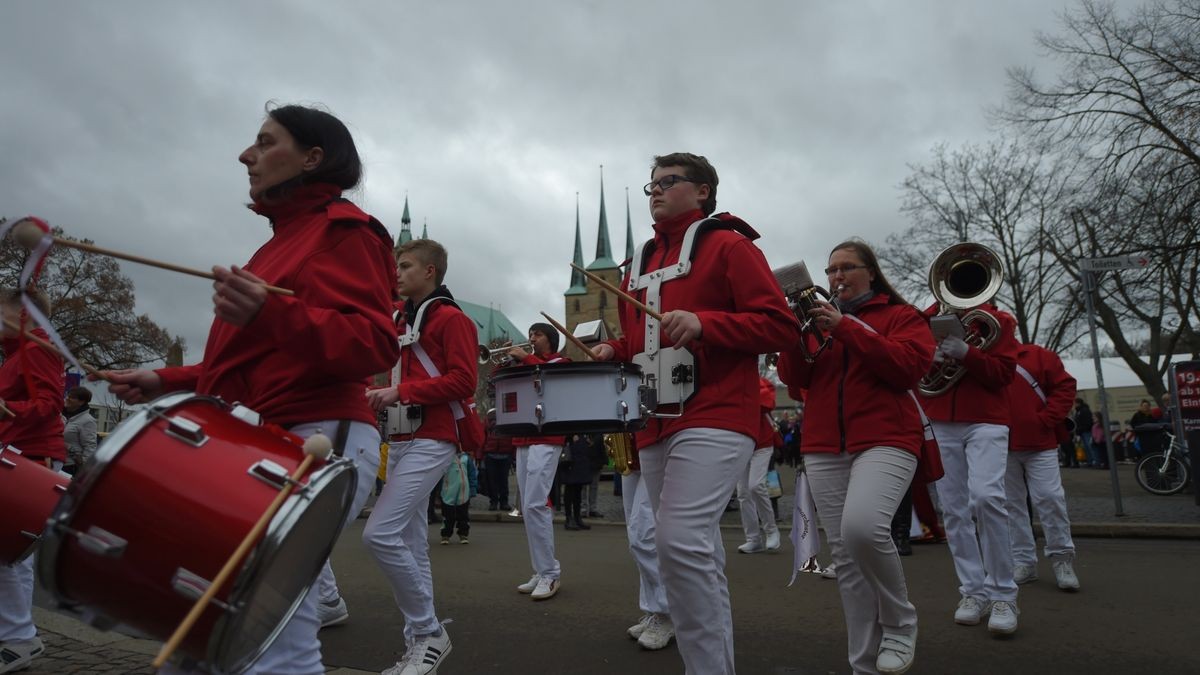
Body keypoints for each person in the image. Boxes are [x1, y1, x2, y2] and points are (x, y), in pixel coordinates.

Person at [104, 103, 398, 675]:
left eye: (265, 143)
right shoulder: (279, 242)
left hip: (314, 436)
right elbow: (253, 363)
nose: (246, 155)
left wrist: (270, 313)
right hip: (266, 437)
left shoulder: (346, 232)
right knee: (211, 622)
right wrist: (164, 379)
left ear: (312, 157)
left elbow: (373, 346)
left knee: (270, 638)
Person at [592, 152, 801, 675]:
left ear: (703, 190)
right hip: (653, 420)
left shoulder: (729, 245)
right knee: (685, 551)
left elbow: (780, 326)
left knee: (678, 541)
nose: (656, 192)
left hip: (716, 412)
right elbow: (640, 340)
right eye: (651, 185)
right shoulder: (635, 266)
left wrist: (708, 323)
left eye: (669, 182)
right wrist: (616, 351)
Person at [776, 239, 934, 675]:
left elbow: (907, 368)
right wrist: (792, 333)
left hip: (887, 437)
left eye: (846, 267)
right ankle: (863, 664)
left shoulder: (901, 317)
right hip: (825, 443)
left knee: (863, 528)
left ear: (871, 272)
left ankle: (900, 623)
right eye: (830, 270)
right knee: (845, 556)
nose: (836, 277)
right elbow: (795, 382)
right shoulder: (817, 322)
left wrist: (846, 327)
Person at [364, 237, 482, 675]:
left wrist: (400, 391)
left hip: (434, 437)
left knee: (378, 535)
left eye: (406, 265)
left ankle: (430, 632)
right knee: (413, 545)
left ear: (430, 272)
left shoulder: (452, 319)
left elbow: (464, 382)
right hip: (397, 438)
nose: (397, 271)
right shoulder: (398, 318)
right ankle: (419, 647)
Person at [920, 294, 1020, 635]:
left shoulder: (998, 321)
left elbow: (1003, 375)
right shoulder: (927, 317)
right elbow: (913, 369)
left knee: (987, 498)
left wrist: (968, 354)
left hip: (986, 419)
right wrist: (928, 358)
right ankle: (973, 591)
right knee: (953, 509)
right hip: (941, 419)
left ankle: (1004, 593)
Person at [0, 287, 66, 674]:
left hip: (31, 454)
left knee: (11, 550)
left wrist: (7, 409)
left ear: (24, 315)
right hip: (18, 449)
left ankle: (20, 638)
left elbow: (49, 404)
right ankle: (14, 632)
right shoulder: (17, 352)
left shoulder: (36, 347)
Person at [1005, 342, 1080, 591]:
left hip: (1040, 441)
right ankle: (1023, 561)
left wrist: (1046, 419)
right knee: (1011, 506)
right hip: (1000, 444)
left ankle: (1062, 559)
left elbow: (1065, 386)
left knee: (1050, 498)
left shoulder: (1037, 355)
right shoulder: (982, 359)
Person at [508, 323, 570, 601]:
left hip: (548, 436)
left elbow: (551, 381)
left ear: (551, 340)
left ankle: (550, 572)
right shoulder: (525, 363)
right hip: (523, 437)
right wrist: (510, 363)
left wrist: (526, 358)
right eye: (530, 333)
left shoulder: (561, 361)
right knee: (527, 507)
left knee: (535, 503)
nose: (531, 338)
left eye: (538, 334)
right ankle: (540, 569)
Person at [616, 434, 675, 651]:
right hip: (635, 448)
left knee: (643, 537)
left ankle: (667, 613)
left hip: (657, 440)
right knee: (636, 537)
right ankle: (653, 610)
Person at [736, 376, 782, 554]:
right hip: (742, 442)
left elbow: (767, 402)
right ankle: (753, 539)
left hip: (762, 443)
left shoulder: (760, 380)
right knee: (743, 492)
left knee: (755, 485)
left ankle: (771, 530)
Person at [560, 434, 601, 530]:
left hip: (581, 451)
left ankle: (577, 517)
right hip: (572, 451)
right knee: (570, 487)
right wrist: (570, 436)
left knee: (578, 487)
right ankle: (569, 518)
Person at [440, 446, 478, 544]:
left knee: (463, 515)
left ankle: (463, 534)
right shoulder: (445, 458)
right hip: (448, 492)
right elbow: (439, 475)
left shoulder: (466, 458)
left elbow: (472, 474)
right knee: (448, 515)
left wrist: (473, 489)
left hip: (464, 492)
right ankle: (445, 535)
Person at [481, 410, 515, 512]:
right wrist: (480, 455)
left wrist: (513, 454)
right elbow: (482, 438)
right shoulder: (487, 421)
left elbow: (513, 437)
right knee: (493, 481)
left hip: (505, 453)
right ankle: (494, 502)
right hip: (491, 454)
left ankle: (503, 502)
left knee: (503, 480)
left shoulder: (508, 420)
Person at [62, 386, 98, 475]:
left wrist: (84, 468)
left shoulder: (88, 421)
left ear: (81, 402)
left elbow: (90, 446)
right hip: (56, 461)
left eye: (72, 397)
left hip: (70, 466)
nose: (67, 398)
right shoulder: (62, 416)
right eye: (67, 395)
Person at [1073, 399, 1099, 467]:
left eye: (1075, 403)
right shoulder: (1079, 411)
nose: (1074, 405)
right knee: (1086, 447)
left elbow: (1087, 422)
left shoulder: (1084, 411)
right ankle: (1090, 461)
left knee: (1090, 447)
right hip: (1082, 432)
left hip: (1086, 431)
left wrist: (1081, 429)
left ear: (1078, 403)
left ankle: (1096, 461)